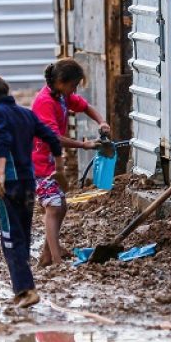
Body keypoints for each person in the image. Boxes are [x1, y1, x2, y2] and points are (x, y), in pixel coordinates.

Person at [0, 73, 62, 309]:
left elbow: (0, 141)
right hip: (28, 181)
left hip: (8, 182)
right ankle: (24, 287)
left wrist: (0, 175)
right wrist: (60, 167)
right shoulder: (26, 113)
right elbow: (52, 138)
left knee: (10, 236)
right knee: (22, 234)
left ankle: (26, 290)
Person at [31, 59, 110, 267]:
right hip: (39, 161)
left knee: (61, 206)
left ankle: (47, 255)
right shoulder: (45, 102)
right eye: (73, 86)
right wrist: (84, 145)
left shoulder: (62, 97)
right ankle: (57, 260)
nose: (74, 90)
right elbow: (54, 137)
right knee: (53, 208)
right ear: (60, 82)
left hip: (51, 161)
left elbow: (85, 106)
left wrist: (101, 121)